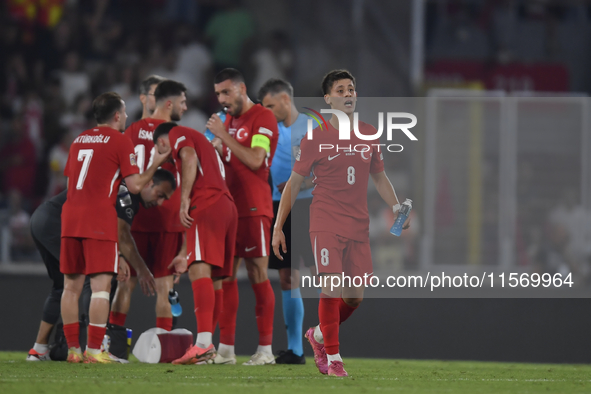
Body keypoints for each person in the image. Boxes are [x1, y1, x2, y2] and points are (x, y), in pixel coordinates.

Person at [271, 70, 410, 377]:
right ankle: (334, 360)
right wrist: (278, 227)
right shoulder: (314, 138)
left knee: (354, 298)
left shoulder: (369, 133)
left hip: (358, 225)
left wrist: (396, 205)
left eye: (351, 89)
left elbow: (380, 177)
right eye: (341, 90)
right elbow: (294, 184)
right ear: (328, 98)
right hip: (325, 221)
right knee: (331, 287)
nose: (348, 94)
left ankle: (318, 335)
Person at [60, 92, 169, 363]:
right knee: (100, 288)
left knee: (70, 288)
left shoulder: (78, 140)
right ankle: (94, 351)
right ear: (117, 115)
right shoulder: (121, 140)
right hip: (98, 220)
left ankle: (73, 350)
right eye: (125, 113)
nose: (128, 117)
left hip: (71, 216)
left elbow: (70, 181)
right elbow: (134, 186)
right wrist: (156, 161)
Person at [26, 169, 174, 361]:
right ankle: (96, 347)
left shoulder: (117, 184)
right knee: (95, 277)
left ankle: (39, 350)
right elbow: (121, 233)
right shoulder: (127, 194)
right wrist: (142, 269)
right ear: (148, 183)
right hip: (58, 223)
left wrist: (119, 255)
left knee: (61, 286)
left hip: (42, 218)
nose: (159, 202)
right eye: (160, 195)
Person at [205, 68, 278, 365]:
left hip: (253, 208)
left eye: (226, 92)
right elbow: (230, 160)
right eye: (218, 94)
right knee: (225, 276)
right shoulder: (229, 121)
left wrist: (223, 136)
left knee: (258, 275)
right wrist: (216, 149)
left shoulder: (263, 118)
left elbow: (256, 160)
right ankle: (226, 349)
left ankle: (265, 350)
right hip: (229, 208)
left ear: (242, 88)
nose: (222, 100)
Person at [153, 122, 238, 365]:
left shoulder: (176, 134)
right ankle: (208, 349)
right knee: (216, 280)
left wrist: (184, 201)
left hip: (208, 203)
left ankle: (203, 345)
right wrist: (184, 252)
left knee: (199, 270)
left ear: (161, 142)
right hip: (226, 207)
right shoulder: (203, 143)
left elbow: (188, 157)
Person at [109, 79, 187, 332]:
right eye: (182, 103)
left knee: (126, 283)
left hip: (136, 217)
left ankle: (115, 344)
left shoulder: (131, 131)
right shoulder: (175, 134)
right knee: (165, 285)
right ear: (169, 103)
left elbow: (121, 174)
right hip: (168, 218)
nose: (184, 108)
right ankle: (163, 346)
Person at [258, 78, 316, 364]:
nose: (267, 111)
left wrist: (300, 184)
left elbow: (331, 169)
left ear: (284, 99)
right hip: (277, 207)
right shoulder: (266, 130)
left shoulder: (312, 127)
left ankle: (327, 341)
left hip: (310, 205)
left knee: (323, 274)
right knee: (286, 275)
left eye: (270, 105)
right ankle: (295, 349)